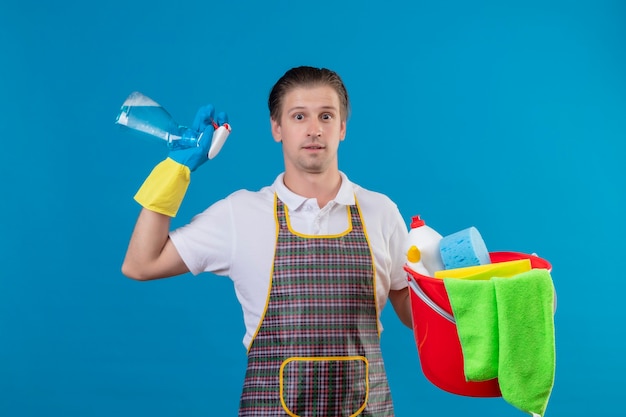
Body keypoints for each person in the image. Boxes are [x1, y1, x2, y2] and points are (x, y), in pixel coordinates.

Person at [122, 66, 413, 416]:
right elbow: (141, 263)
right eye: (299, 116)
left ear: (342, 127)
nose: (314, 129)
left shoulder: (380, 212)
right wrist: (176, 170)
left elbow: (411, 310)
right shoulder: (240, 214)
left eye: (326, 115)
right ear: (277, 128)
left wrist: (457, 295)